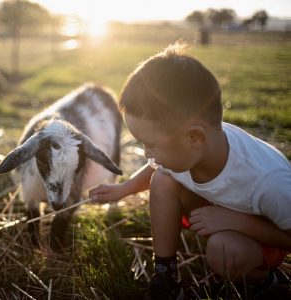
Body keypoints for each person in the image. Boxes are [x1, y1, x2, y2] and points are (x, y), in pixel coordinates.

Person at [90, 42, 291, 300]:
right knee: (162, 179)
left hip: (261, 236)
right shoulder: (189, 147)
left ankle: (265, 279)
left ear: (194, 137)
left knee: (224, 251)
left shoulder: (268, 181)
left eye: (150, 145)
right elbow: (155, 167)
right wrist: (124, 189)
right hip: (217, 211)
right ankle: (165, 272)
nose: (146, 154)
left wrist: (235, 221)